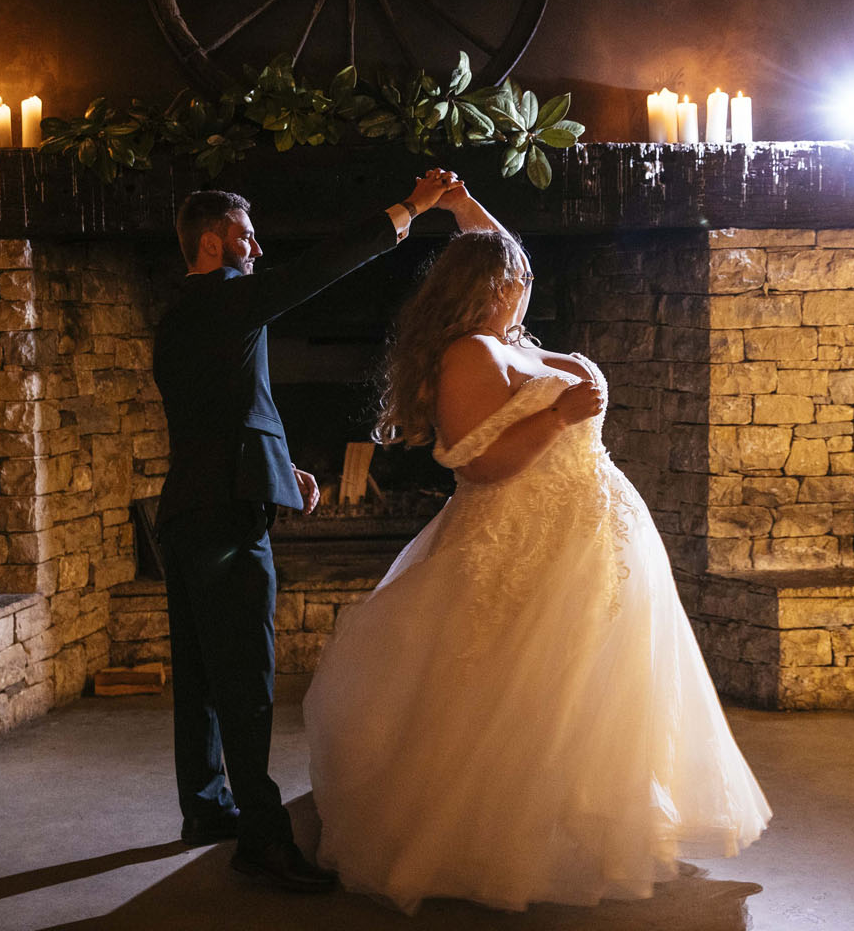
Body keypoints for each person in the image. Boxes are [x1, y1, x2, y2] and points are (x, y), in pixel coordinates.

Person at [303, 184, 772, 913]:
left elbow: (505, 251)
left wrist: (462, 205)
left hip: (588, 542)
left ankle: (585, 824)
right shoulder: (470, 354)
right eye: (513, 279)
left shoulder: (512, 338)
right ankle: (499, 840)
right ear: (491, 289)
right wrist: (557, 417)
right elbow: (472, 460)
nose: (526, 286)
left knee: (595, 691)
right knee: (520, 688)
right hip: (522, 543)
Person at [152, 172, 459, 892]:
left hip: (191, 511)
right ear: (210, 243)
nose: (255, 246)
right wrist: (409, 209)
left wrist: (283, 471)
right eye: (243, 234)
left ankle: (205, 808)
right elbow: (317, 270)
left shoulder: (188, 316)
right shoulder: (226, 299)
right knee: (248, 678)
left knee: (200, 673)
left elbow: (224, 414)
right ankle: (261, 838)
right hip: (226, 520)